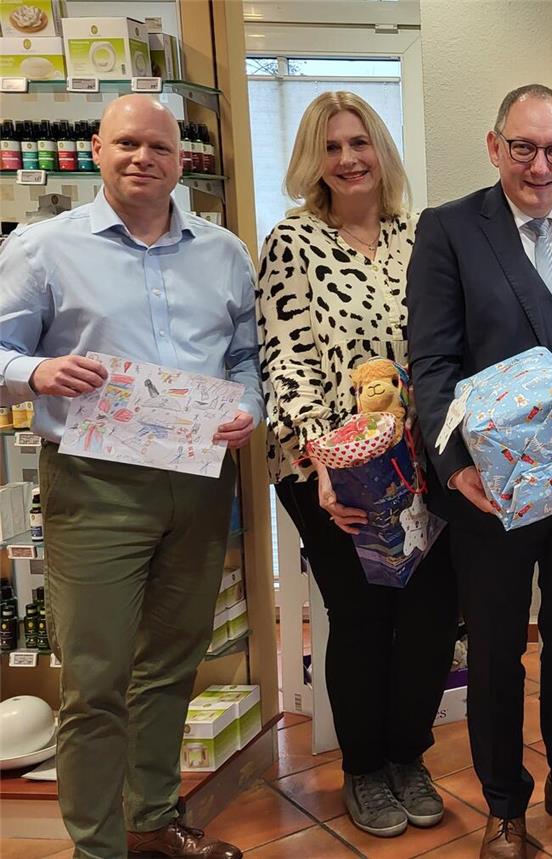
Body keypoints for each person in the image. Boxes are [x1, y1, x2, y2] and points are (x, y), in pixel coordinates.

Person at [0, 95, 261, 859]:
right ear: (97, 149)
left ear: (182, 158)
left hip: (201, 482)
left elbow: (244, 358)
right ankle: (96, 847)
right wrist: (38, 369)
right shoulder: (42, 248)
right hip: (96, 485)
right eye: (126, 144)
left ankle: (151, 821)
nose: (142, 157)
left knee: (173, 662)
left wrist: (249, 406)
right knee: (95, 679)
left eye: (158, 146)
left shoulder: (223, 251)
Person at [407, 84, 552, 859]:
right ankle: (505, 806)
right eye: (523, 148)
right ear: (493, 145)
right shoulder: (449, 230)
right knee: (498, 650)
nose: (540, 166)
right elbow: (433, 364)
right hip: (493, 492)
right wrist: (454, 468)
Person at [255, 91, 458, 839]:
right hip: (328, 470)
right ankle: (366, 769)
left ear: (382, 151)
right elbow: (285, 360)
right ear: (314, 159)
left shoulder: (421, 236)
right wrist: (325, 458)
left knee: (435, 615)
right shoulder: (293, 241)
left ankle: (410, 755)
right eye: (332, 147)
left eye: (359, 143)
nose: (348, 159)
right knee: (366, 617)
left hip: (417, 466)